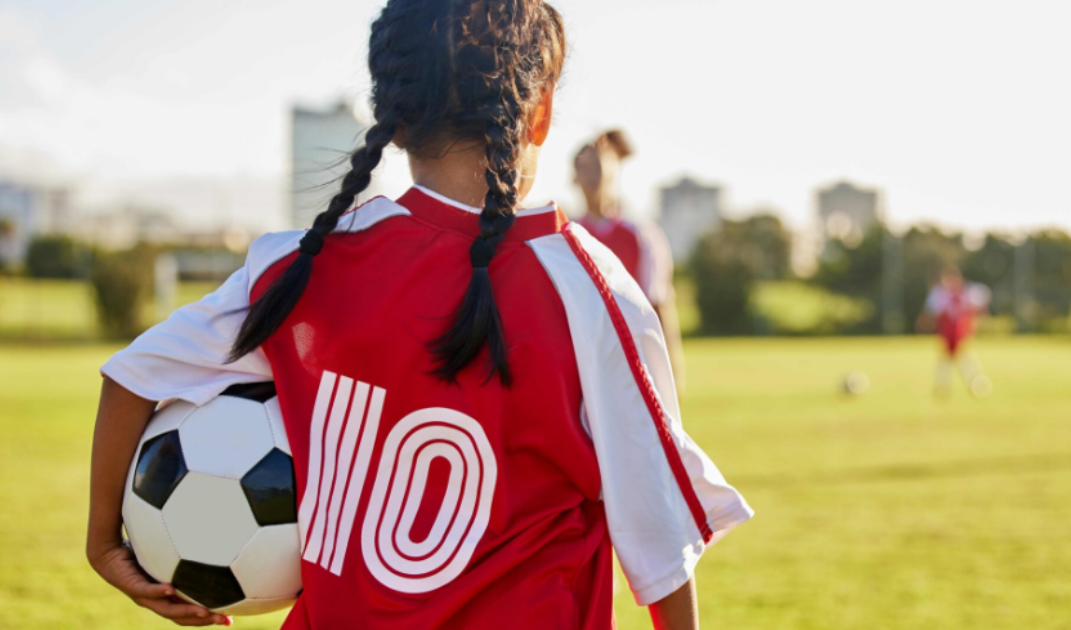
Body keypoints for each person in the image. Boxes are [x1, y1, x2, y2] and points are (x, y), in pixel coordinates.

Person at [85, 2, 752, 629]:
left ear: (393, 120)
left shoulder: (304, 264)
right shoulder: (591, 290)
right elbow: (660, 543)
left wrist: (102, 542)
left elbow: (135, 376)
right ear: (541, 113)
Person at [573, 130, 686, 388]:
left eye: (599, 169)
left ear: (614, 173)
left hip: (634, 372)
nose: (593, 178)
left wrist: (672, 378)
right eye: (586, 169)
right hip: (582, 372)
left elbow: (659, 307)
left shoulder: (642, 235)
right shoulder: (564, 238)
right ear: (575, 177)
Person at [919, 267, 992, 397]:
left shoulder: (968, 291)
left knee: (960, 356)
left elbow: (980, 305)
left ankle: (973, 382)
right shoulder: (940, 293)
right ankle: (953, 385)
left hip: (962, 331)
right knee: (949, 358)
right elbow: (932, 311)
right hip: (947, 332)